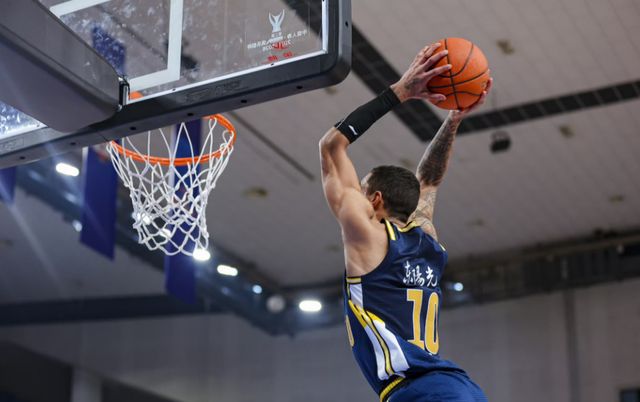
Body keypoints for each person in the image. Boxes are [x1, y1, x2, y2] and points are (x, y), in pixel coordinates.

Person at [319, 43, 492, 401]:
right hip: (458, 388)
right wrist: (453, 120)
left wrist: (400, 91)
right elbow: (428, 180)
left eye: (362, 189)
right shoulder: (425, 235)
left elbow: (331, 146)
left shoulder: (367, 236)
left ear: (375, 200)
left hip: (421, 391)